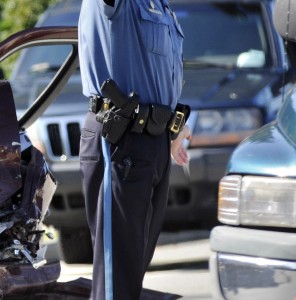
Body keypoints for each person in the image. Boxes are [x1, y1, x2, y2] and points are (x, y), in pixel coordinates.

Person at [77, 0, 191, 299]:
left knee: (134, 268)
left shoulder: (161, 5)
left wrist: (175, 127)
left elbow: (159, 71)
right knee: (118, 278)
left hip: (154, 140)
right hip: (119, 138)